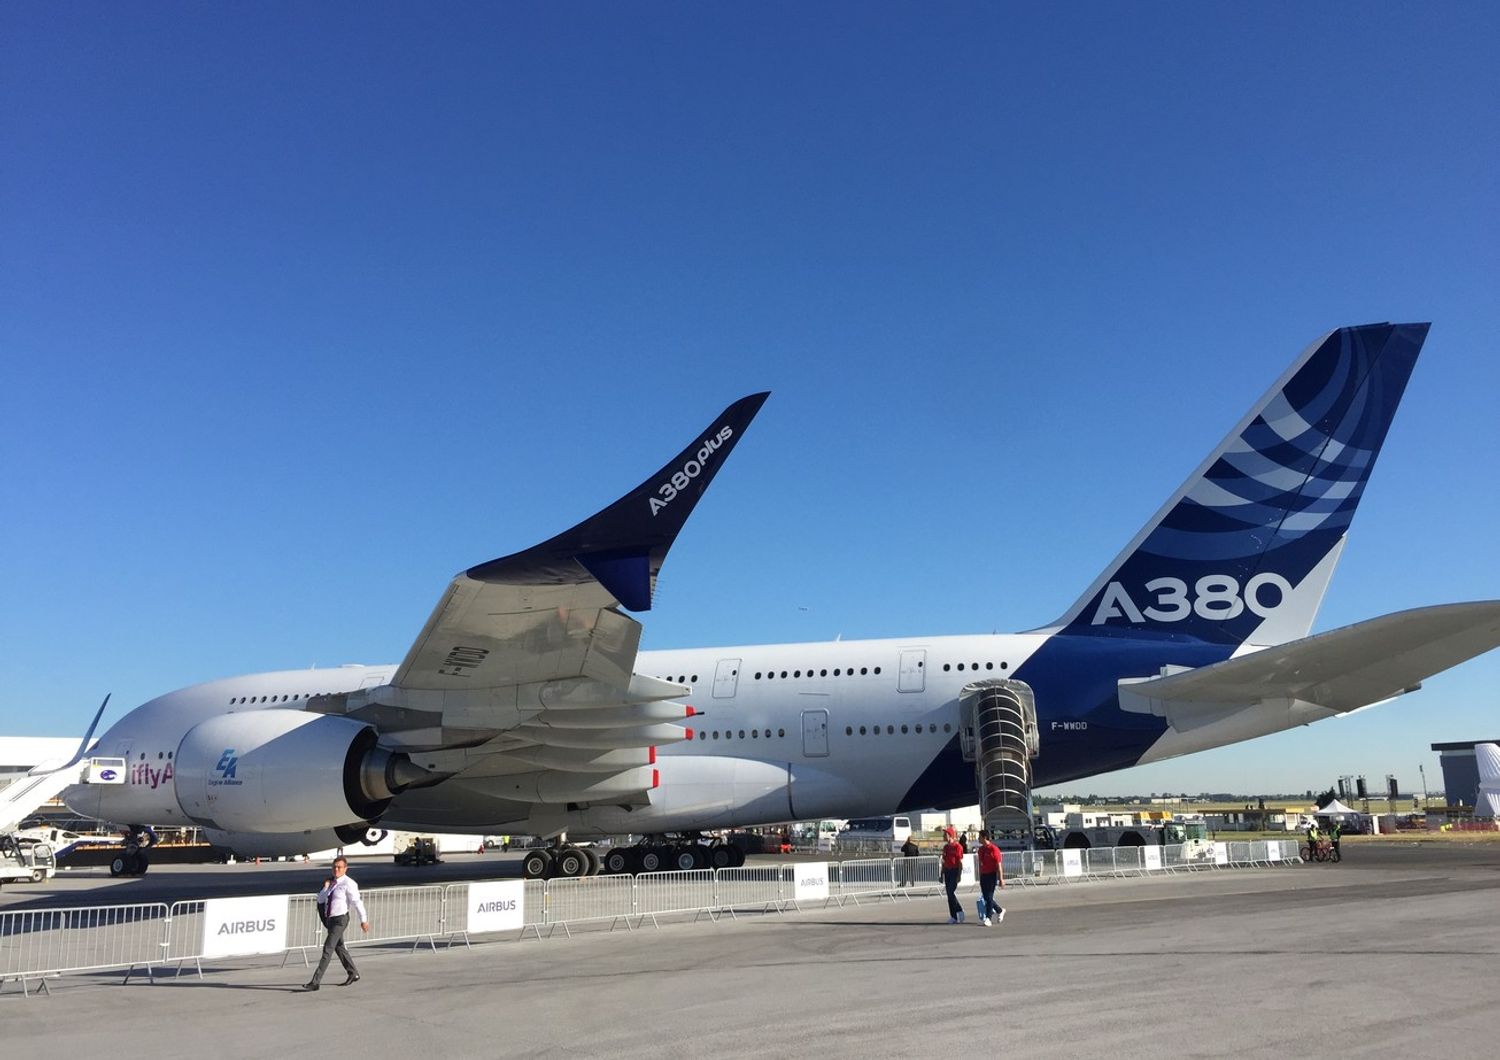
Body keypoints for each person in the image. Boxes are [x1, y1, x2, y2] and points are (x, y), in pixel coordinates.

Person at [303, 855, 368, 991]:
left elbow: (357, 902)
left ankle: (315, 981)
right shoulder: (331, 883)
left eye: (339, 867)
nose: (336, 869)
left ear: (345, 869)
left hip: (340, 919)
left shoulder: (349, 884)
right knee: (339, 947)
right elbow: (320, 900)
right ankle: (353, 973)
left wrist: (363, 920)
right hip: (330, 920)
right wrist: (325, 888)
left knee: (328, 948)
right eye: (334, 867)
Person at [974, 830, 1006, 926]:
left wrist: (1001, 879)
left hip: (992, 875)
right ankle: (1000, 910)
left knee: (989, 897)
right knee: (986, 897)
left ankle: (988, 918)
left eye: (979, 837)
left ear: (984, 837)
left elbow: (999, 865)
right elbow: (980, 864)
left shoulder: (994, 849)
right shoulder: (981, 850)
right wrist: (980, 877)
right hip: (984, 875)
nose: (978, 839)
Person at [941, 829, 966, 923]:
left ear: (950, 835)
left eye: (945, 834)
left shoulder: (958, 847)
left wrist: (959, 875)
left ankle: (959, 910)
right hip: (947, 871)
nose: (943, 836)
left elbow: (960, 862)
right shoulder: (946, 847)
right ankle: (953, 916)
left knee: (951, 892)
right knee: (949, 894)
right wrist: (941, 873)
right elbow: (944, 861)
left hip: (954, 871)